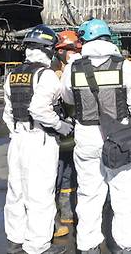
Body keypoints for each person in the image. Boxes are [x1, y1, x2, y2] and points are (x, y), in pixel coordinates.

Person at [61, 18, 131, 254]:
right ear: (108, 37)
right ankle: (126, 247)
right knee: (124, 195)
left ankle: (88, 247)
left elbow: (67, 98)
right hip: (118, 137)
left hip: (86, 136)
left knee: (89, 195)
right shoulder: (123, 65)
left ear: (85, 39)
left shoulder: (73, 67)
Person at [3, 24, 71, 254]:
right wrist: (61, 126)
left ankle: (15, 238)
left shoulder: (13, 74)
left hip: (17, 139)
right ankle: (38, 246)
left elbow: (7, 112)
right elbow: (40, 109)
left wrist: (16, 133)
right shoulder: (47, 75)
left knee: (16, 191)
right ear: (49, 49)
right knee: (40, 194)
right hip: (39, 140)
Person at [52, 30, 82, 238]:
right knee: (53, 178)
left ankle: (68, 212)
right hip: (56, 136)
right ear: (59, 52)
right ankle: (52, 222)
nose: (72, 53)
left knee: (70, 177)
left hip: (74, 137)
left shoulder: (76, 70)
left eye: (74, 49)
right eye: (68, 50)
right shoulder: (51, 72)